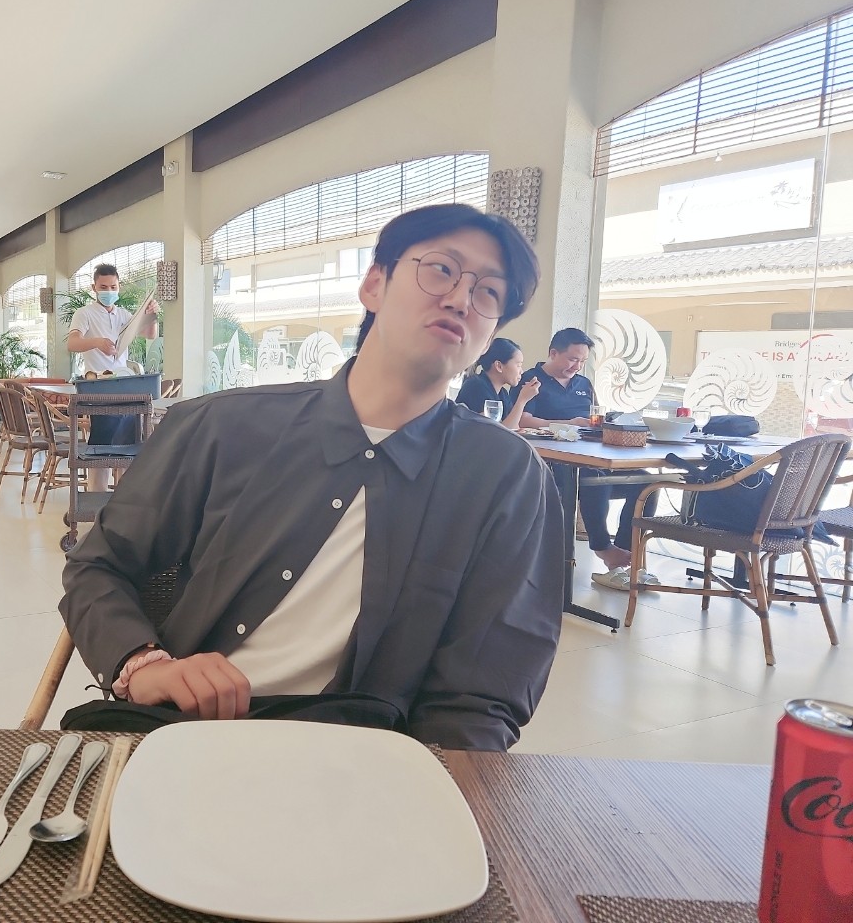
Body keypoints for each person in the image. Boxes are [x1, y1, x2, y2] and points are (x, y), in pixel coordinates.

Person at [59, 204, 565, 752]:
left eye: (489, 293)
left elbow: (482, 697)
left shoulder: (506, 476)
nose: (461, 299)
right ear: (374, 285)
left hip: (371, 759)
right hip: (187, 735)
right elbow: (99, 565)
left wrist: (427, 780)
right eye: (441, 269)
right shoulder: (221, 427)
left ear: (490, 337)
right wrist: (143, 665)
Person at [516, 328, 654, 590]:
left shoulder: (584, 384)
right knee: (593, 476)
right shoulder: (531, 379)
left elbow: (594, 415)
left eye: (582, 361)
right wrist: (570, 423)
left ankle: (624, 556)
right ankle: (603, 548)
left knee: (646, 483)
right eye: (572, 359)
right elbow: (523, 419)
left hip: (591, 451)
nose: (577, 366)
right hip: (555, 461)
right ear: (553, 353)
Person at [66, 263, 159, 490]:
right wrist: (97, 342)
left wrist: (152, 315)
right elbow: (73, 343)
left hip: (124, 387)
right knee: (101, 448)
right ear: (94, 288)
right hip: (99, 389)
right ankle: (96, 496)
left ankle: (123, 498)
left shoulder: (123, 315)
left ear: (119, 287)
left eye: (113, 287)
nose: (109, 291)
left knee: (127, 449)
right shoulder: (84, 314)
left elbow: (150, 334)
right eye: (103, 287)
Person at [455, 337, 539, 429]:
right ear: (499, 366)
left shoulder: (502, 393)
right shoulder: (476, 386)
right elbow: (499, 432)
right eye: (518, 365)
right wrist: (522, 400)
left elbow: (514, 427)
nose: (521, 371)